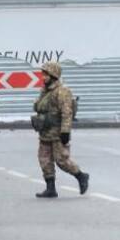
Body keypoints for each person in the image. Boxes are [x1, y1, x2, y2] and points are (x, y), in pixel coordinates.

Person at [31, 61, 89, 198]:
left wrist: (65, 131)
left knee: (62, 160)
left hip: (57, 133)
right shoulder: (45, 90)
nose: (43, 77)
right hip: (45, 131)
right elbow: (39, 107)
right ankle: (50, 188)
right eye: (43, 74)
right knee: (44, 159)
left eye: (46, 75)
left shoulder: (63, 91)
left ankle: (81, 176)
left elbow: (66, 112)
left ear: (53, 75)